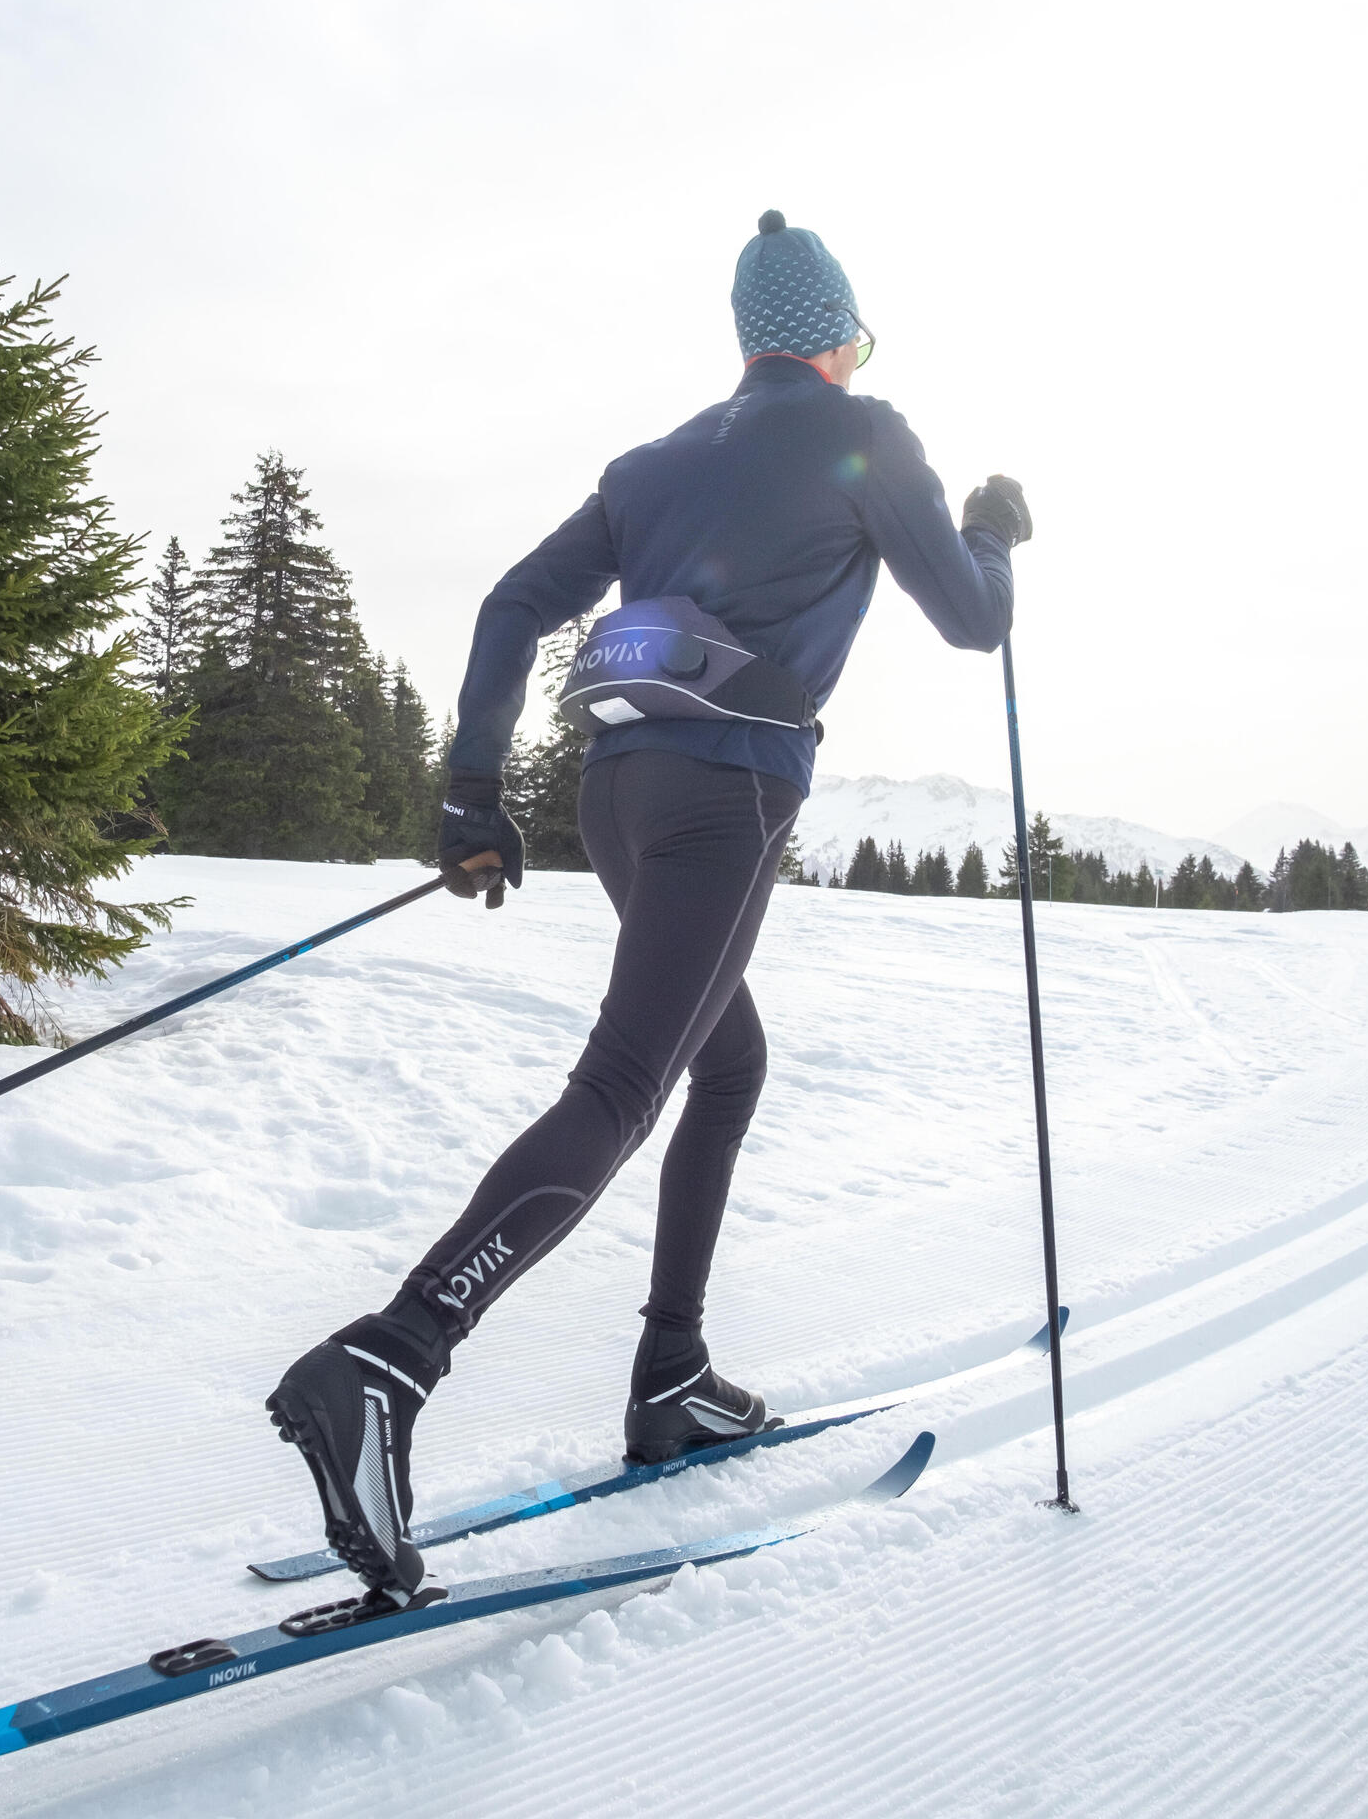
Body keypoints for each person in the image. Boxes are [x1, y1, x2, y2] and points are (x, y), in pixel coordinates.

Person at [266, 210, 1030, 1606]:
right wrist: (989, 536)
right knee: (626, 1084)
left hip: (615, 799)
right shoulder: (869, 438)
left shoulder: (653, 463)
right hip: (725, 801)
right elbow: (974, 621)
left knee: (724, 1063)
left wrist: (470, 797)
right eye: (858, 336)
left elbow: (511, 606)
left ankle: (671, 1371)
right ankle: (388, 1361)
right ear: (837, 339)